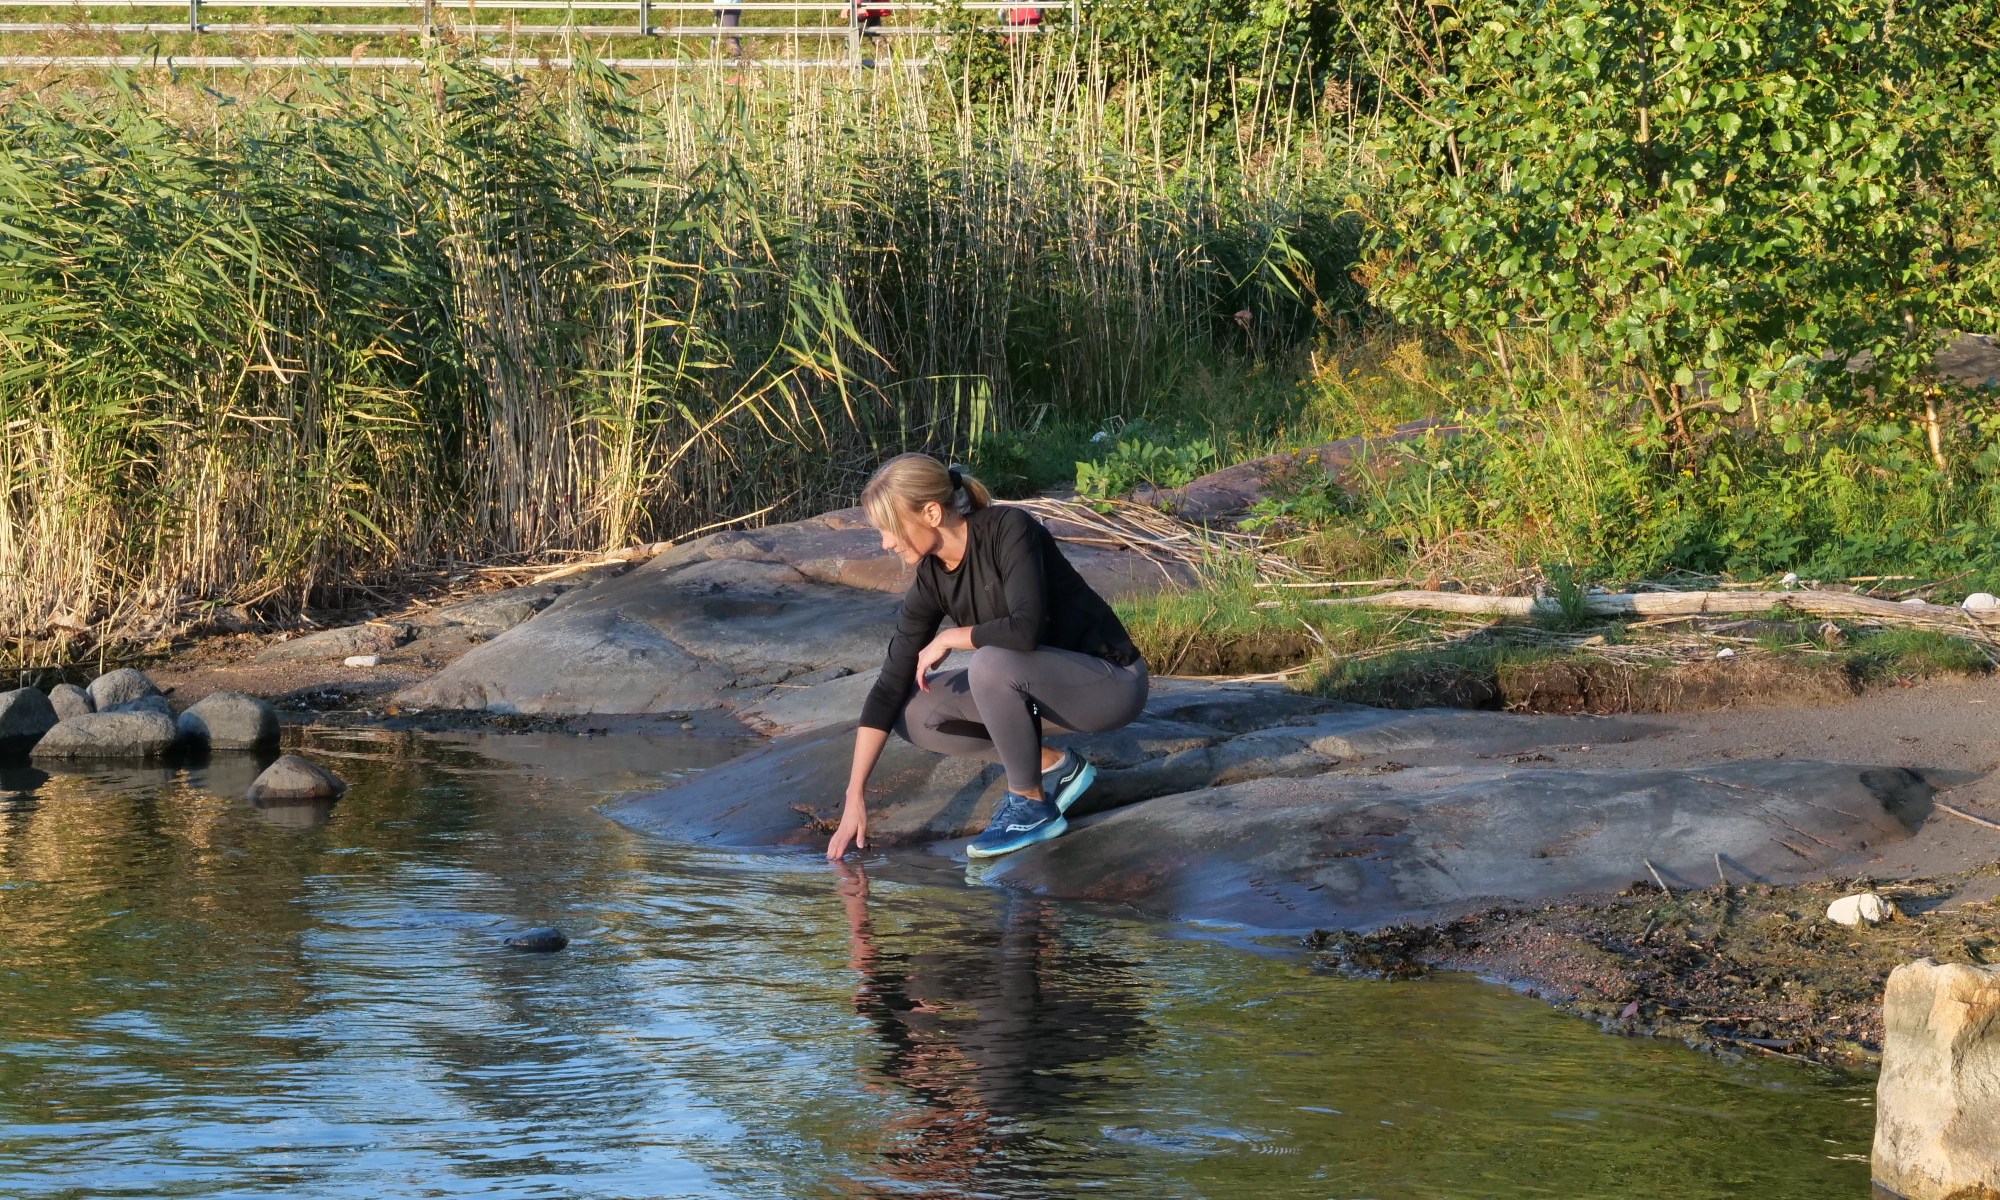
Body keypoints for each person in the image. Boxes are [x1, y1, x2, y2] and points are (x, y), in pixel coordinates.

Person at [826, 453, 1149, 861]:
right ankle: (1055, 768)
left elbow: (1025, 629)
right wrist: (855, 795)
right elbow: (889, 684)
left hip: (1110, 685)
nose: (886, 543)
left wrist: (952, 637)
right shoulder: (931, 579)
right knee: (913, 712)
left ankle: (1030, 804)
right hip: (1041, 695)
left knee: (989, 663)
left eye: (890, 528)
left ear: (931, 513)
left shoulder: (1009, 529)